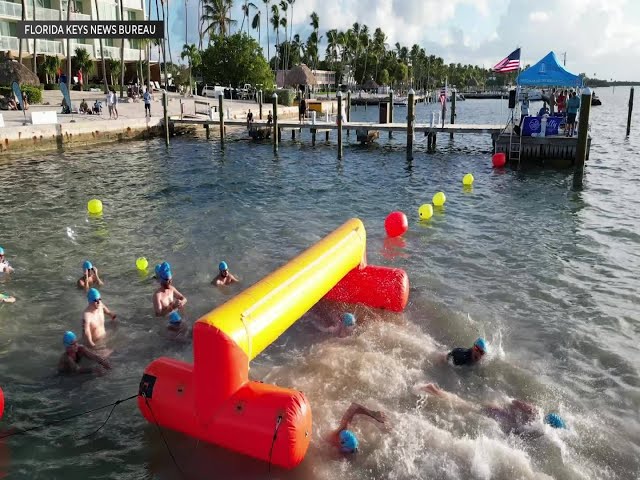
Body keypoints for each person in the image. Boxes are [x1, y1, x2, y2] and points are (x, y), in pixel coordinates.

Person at [417, 383, 567, 435]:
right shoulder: (536, 413)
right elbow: (515, 402)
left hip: (498, 412)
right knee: (462, 405)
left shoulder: (536, 423)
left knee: (464, 405)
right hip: (496, 412)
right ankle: (434, 391)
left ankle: (436, 391)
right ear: (551, 426)